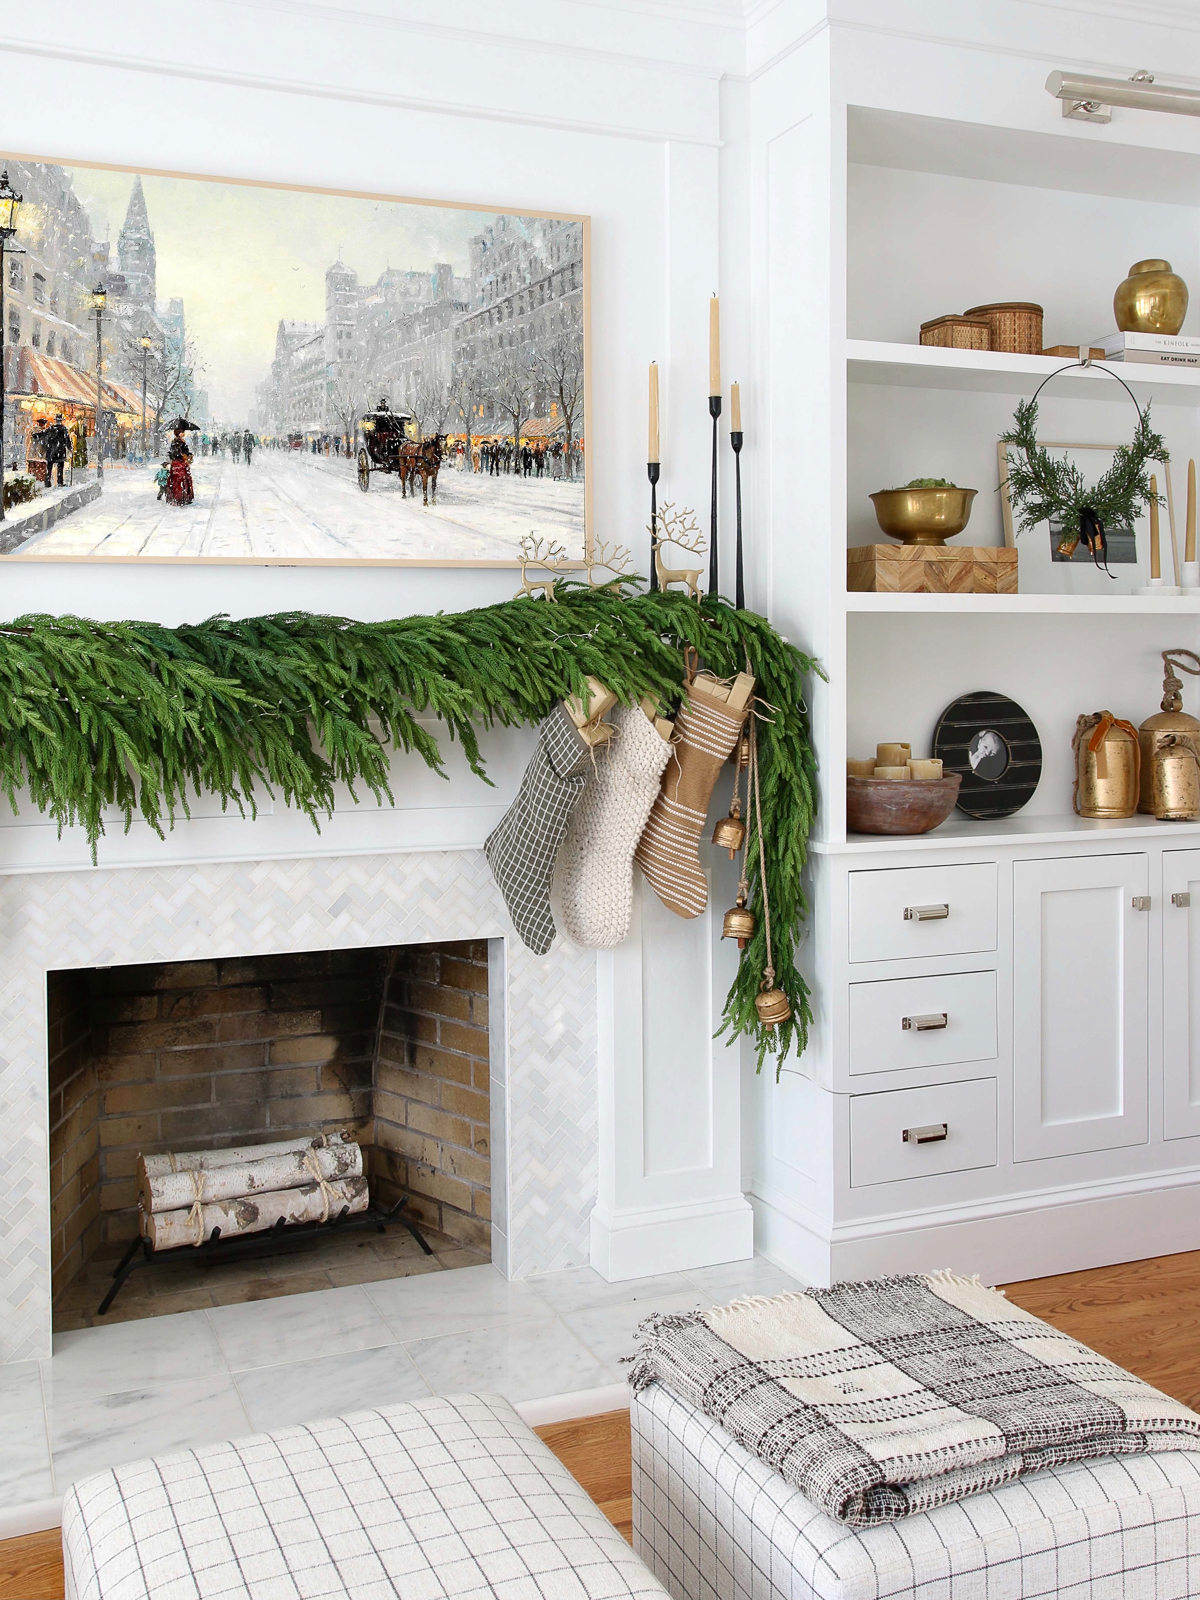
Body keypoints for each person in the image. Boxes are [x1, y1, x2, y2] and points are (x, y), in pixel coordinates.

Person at [164, 423, 194, 506]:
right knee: (180, 479)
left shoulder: (178, 442)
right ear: (178, 433)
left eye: (183, 432)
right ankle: (180, 498)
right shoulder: (178, 442)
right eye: (182, 432)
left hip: (177, 463)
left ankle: (179, 497)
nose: (183, 433)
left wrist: (188, 454)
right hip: (179, 463)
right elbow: (178, 453)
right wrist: (185, 455)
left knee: (178, 480)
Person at [44, 413, 70, 486]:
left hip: (51, 450)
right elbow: (67, 440)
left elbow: (44, 434)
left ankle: (48, 482)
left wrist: (36, 435)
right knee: (60, 467)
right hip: (60, 450)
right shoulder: (64, 429)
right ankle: (59, 482)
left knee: (49, 467)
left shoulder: (51, 428)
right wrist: (70, 447)